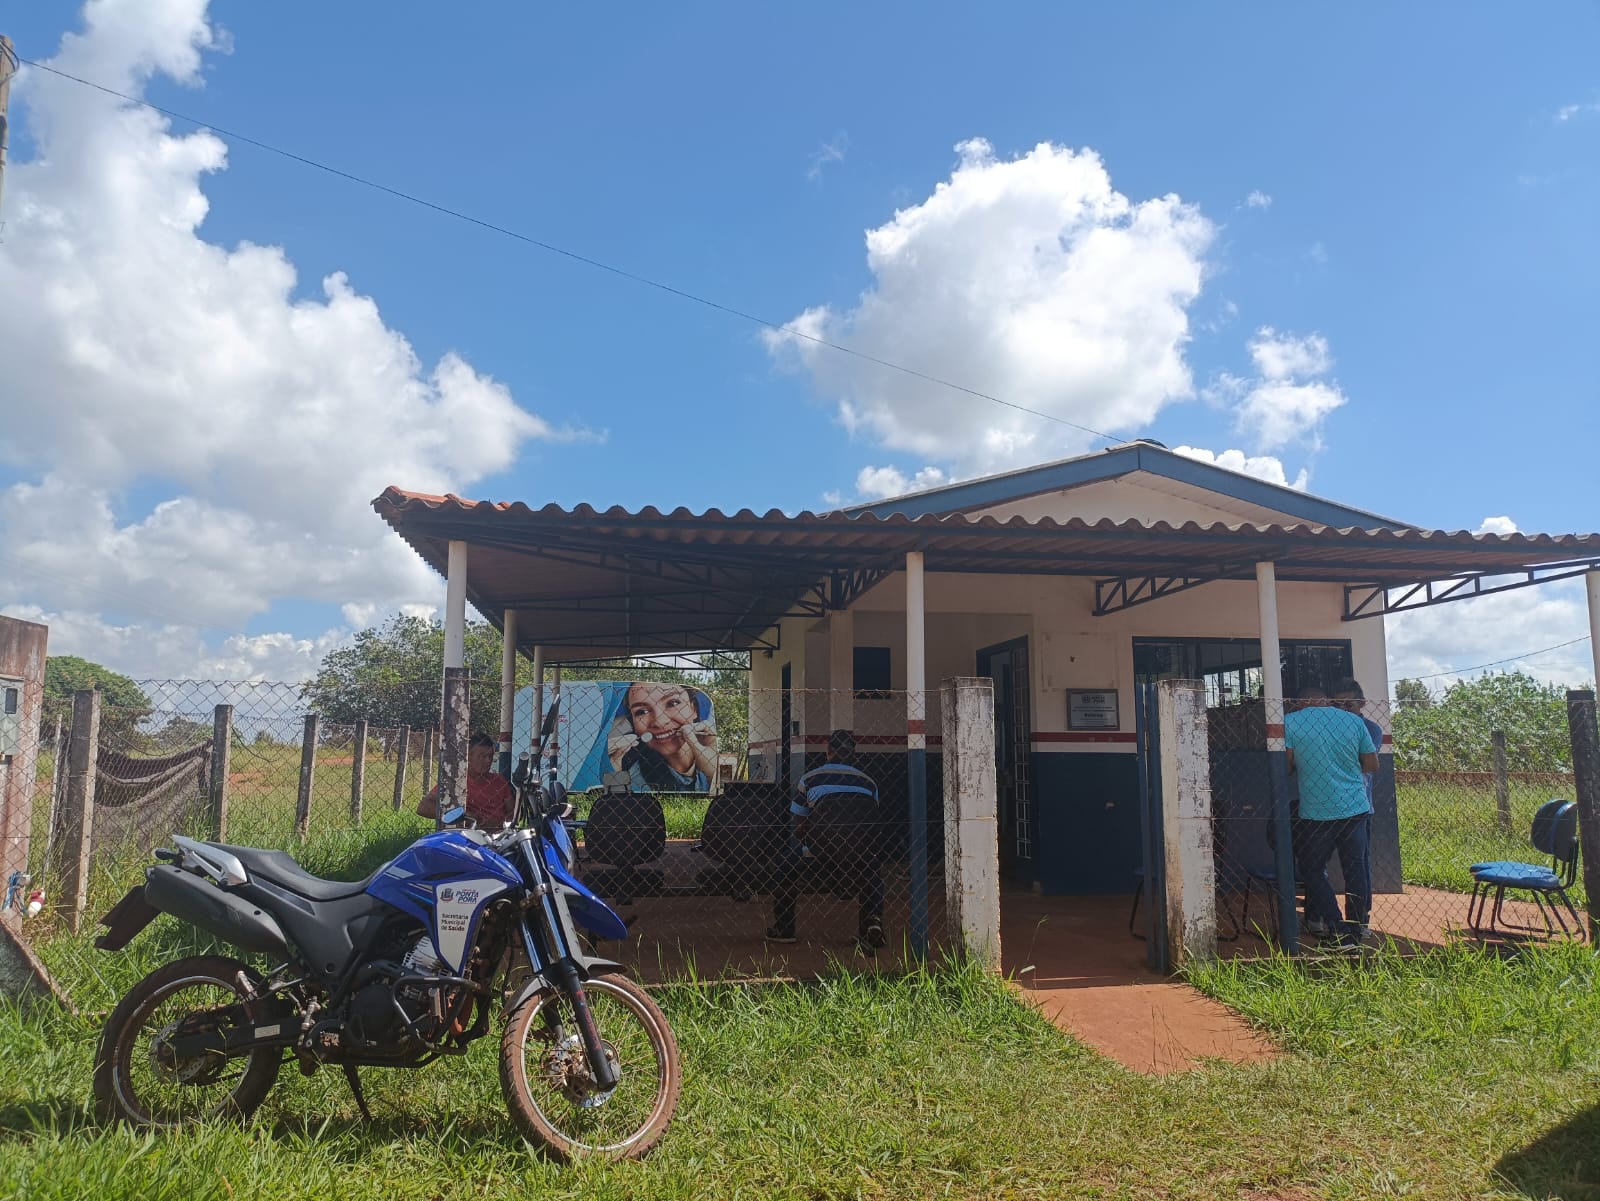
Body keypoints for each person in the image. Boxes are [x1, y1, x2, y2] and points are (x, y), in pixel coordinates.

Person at [766, 729, 886, 954]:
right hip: (860, 853)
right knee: (874, 871)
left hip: (818, 851)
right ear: (854, 753)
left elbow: (799, 826)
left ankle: (784, 929)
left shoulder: (810, 779)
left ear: (828, 750)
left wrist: (814, 841)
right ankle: (872, 922)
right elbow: (872, 824)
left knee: (782, 865)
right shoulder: (869, 783)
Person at [1285, 684, 1379, 948]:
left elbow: (1288, 764)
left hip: (1316, 811)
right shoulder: (1353, 721)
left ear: (1300, 702)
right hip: (1355, 807)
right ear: (1326, 701)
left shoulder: (1290, 722)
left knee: (1312, 869)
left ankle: (1335, 925)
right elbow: (1372, 764)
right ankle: (1357, 928)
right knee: (1356, 870)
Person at [606, 681, 718, 792]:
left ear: (693, 709)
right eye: (642, 712)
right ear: (633, 724)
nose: (659, 722)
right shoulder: (632, 776)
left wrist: (715, 773)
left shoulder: (717, 751)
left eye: (673, 703)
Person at [417, 731, 515, 827]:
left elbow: (512, 812)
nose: (487, 761)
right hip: (468, 835)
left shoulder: (499, 781)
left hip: (498, 837)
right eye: (482, 756)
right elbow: (423, 808)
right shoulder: (456, 781)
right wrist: (465, 817)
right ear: (468, 756)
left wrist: (501, 824)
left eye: (490, 756)